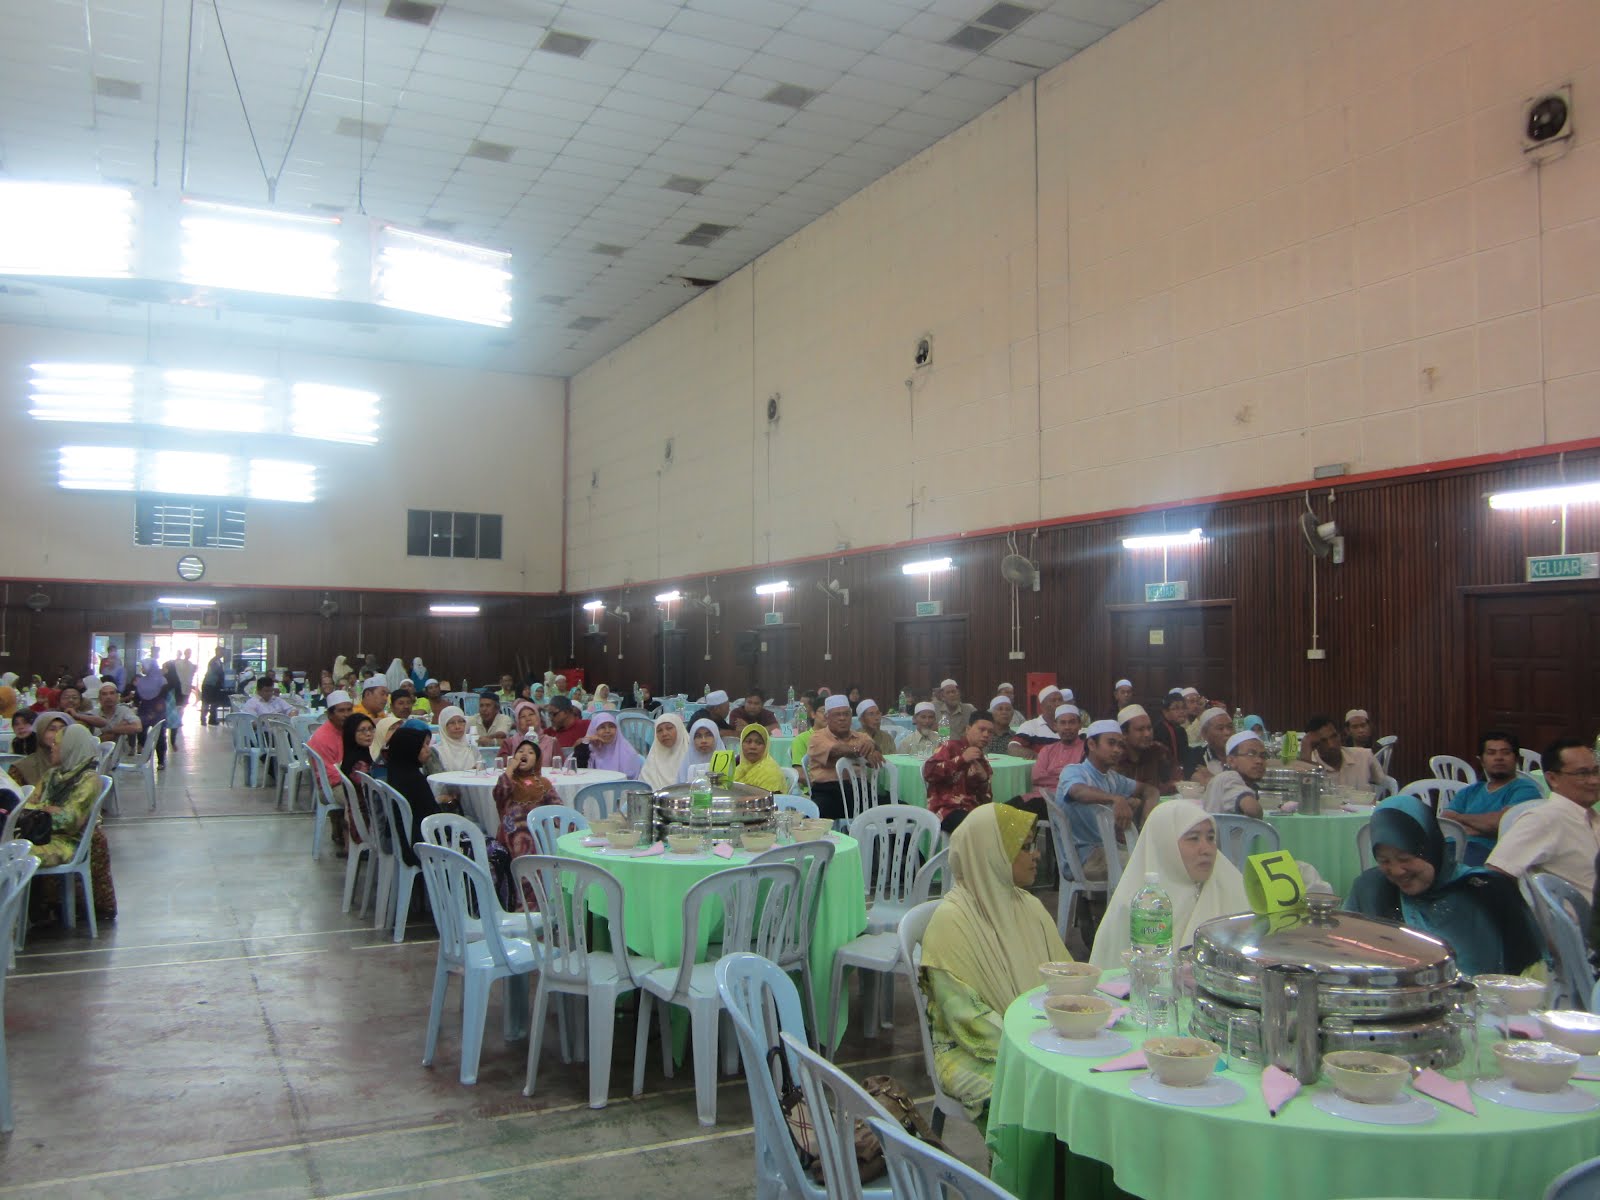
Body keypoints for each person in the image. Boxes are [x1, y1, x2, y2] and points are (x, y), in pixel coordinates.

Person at [918, 804, 1068, 1126]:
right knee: (1031, 1093)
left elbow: (1064, 976)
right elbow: (967, 1018)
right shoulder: (951, 922)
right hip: (970, 1050)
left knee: (1076, 1085)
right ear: (992, 855)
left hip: (1038, 1038)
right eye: (1024, 847)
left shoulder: (1029, 907)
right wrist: (1031, 1046)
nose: (1037, 855)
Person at [1347, 795, 1541, 977]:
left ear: (1431, 850)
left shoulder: (1484, 892)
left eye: (1405, 858)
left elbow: (1528, 969)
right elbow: (1348, 953)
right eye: (1384, 861)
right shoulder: (1372, 890)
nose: (1397, 871)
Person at [1089, 800, 1249, 968]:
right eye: (1193, 839)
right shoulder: (1133, 906)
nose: (1206, 849)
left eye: (1210, 838)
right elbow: (1110, 975)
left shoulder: (1230, 888)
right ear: (1164, 845)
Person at [1488, 738, 1600, 893]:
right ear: (1553, 779)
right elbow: (1495, 874)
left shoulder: (1592, 817)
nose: (1595, 780)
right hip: (1578, 908)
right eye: (1582, 773)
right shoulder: (1543, 819)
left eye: (1596, 771)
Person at [1056, 720, 1160, 881]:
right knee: (1150, 867)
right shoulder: (1074, 771)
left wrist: (1145, 820)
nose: (1117, 750)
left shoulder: (1112, 778)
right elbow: (1078, 791)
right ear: (1092, 744)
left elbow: (1150, 790)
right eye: (1111, 743)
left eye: (1120, 745)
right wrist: (1116, 799)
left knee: (1161, 858)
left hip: (1109, 850)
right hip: (1083, 858)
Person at [1437, 731, 1544, 866]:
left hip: (1490, 855)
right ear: (1482, 761)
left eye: (1505, 753)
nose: (1498, 758)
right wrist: (1483, 828)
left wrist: (1460, 819)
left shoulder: (1525, 789)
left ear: (1516, 759)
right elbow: (1446, 822)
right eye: (1491, 753)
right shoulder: (1469, 791)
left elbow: (1500, 823)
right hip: (1450, 848)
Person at [382, 724, 457, 868]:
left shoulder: (396, 771)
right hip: (421, 846)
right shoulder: (414, 780)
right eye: (422, 747)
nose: (428, 750)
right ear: (409, 750)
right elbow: (432, 816)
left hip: (402, 839)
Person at [807, 695, 884, 820]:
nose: (842, 718)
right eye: (837, 715)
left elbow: (877, 750)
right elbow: (837, 750)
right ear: (827, 717)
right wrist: (861, 751)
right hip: (828, 791)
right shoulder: (817, 737)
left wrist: (873, 747)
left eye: (846, 714)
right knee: (817, 814)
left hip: (860, 789)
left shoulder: (861, 736)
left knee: (900, 809)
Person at [922, 711, 999, 833]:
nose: (986, 735)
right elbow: (929, 772)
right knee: (977, 826)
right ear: (968, 729)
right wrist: (961, 760)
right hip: (946, 810)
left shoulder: (982, 762)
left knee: (1005, 821)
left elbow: (986, 800)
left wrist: (984, 780)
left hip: (973, 810)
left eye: (990, 732)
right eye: (981, 729)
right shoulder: (950, 747)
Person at [1290, 713, 1388, 790]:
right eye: (1323, 741)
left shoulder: (1364, 756)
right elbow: (1302, 796)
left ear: (1340, 735)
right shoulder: (1310, 766)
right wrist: (1305, 749)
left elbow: (1386, 783)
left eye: (1334, 736)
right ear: (1315, 745)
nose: (1331, 745)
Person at [1114, 704, 1179, 796]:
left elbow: (1177, 780)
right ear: (1124, 733)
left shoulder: (1159, 751)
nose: (1147, 734)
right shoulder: (1115, 757)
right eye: (1140, 729)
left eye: (1149, 728)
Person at [1203, 731, 1268, 817]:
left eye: (1263, 756)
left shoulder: (1224, 778)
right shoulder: (1229, 777)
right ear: (1231, 761)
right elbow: (1252, 809)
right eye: (1251, 754)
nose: (1259, 761)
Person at [1028, 704, 1086, 800]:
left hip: (1066, 801)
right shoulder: (1047, 750)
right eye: (1062, 723)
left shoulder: (1087, 750)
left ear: (1080, 725)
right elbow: (1036, 777)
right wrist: (1065, 777)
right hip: (1038, 797)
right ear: (1055, 726)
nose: (1067, 727)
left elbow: (1080, 781)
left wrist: (1050, 775)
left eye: (1072, 722)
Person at [129, 658, 171, 767]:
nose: (142, 669)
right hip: (144, 709)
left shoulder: (162, 681)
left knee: (160, 736)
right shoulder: (141, 681)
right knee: (141, 733)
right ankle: (145, 756)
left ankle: (161, 761)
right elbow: (137, 697)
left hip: (158, 710)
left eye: (143, 666)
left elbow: (164, 696)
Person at [10, 711, 69, 787]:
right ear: (41, 733)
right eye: (52, 729)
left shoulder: (78, 763)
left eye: (63, 729)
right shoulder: (20, 768)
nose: (58, 733)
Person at [306, 691, 355, 782]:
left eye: (349, 710)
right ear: (330, 715)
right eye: (341, 711)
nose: (347, 715)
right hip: (334, 784)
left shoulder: (348, 729)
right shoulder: (323, 737)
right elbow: (329, 775)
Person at [76, 681, 141, 746]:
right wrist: (121, 728)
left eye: (112, 693)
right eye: (104, 694)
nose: (108, 697)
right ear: (99, 698)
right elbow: (94, 741)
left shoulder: (124, 710)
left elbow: (138, 727)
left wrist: (108, 730)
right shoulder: (92, 714)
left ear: (117, 696)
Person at [582, 711, 644, 778]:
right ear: (594, 730)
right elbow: (578, 770)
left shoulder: (628, 752)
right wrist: (587, 742)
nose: (607, 731)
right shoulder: (589, 749)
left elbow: (632, 780)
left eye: (611, 726)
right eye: (602, 727)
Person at [641, 713, 690, 790]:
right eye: (659, 730)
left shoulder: (692, 758)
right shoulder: (651, 763)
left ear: (679, 729)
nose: (664, 734)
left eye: (669, 728)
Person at [732, 723, 785, 793]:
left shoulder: (771, 773)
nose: (752, 747)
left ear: (766, 747)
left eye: (759, 743)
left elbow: (770, 798)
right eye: (748, 742)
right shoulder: (739, 769)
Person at [1186, 707, 1235, 781]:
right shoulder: (1196, 755)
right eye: (1220, 728)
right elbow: (1199, 779)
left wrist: (1213, 779)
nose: (1227, 732)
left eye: (1230, 727)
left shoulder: (1242, 753)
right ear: (1204, 734)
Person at [676, 718, 727, 783]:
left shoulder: (726, 763)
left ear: (716, 737)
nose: (703, 741)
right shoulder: (686, 764)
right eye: (698, 736)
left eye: (708, 735)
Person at [432, 706, 481, 773]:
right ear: (443, 726)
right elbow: (437, 777)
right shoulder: (435, 752)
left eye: (461, 722)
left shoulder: (472, 750)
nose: (457, 727)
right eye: (452, 723)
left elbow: (481, 773)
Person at [340, 712, 378, 784]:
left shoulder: (365, 754)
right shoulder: (359, 765)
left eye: (370, 729)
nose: (368, 734)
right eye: (362, 730)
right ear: (351, 733)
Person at [1154, 691, 1189, 764]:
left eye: (1183, 708)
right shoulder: (1159, 730)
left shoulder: (1180, 730)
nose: (1182, 711)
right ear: (1165, 712)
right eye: (1176, 708)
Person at [200, 650, 229, 725]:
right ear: (217, 652)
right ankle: (204, 719)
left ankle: (212, 719)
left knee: (214, 703)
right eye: (221, 652)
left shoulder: (219, 662)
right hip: (209, 685)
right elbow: (218, 672)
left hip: (214, 685)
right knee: (206, 702)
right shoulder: (213, 662)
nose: (222, 654)